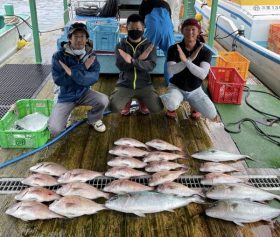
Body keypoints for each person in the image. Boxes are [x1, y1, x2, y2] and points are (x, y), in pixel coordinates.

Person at [48, 22, 109, 136]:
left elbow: (93, 78)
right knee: (55, 130)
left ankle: (93, 119)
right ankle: (62, 116)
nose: (79, 40)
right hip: (66, 96)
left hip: (83, 92)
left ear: (86, 39)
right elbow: (59, 80)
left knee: (104, 100)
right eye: (76, 36)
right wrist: (83, 67)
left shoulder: (91, 55)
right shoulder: (58, 56)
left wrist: (72, 72)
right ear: (69, 39)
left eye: (82, 36)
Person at [160, 18, 217, 121]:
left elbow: (203, 74)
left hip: (195, 89)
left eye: (193, 29)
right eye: (187, 29)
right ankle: (169, 104)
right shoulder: (174, 49)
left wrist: (186, 61)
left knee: (211, 113)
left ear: (198, 32)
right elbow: (171, 70)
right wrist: (190, 59)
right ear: (182, 31)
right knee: (171, 104)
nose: (190, 32)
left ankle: (194, 106)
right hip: (176, 86)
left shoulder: (205, 51)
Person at [110, 14, 163, 115]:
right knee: (113, 107)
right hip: (125, 84)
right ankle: (127, 101)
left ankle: (142, 100)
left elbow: (151, 65)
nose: (135, 30)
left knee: (157, 108)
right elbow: (121, 65)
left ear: (143, 28)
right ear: (127, 28)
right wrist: (140, 60)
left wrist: (133, 61)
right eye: (132, 28)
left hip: (144, 84)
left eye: (138, 28)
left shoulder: (149, 46)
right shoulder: (120, 45)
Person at [139, 0, 175, 84]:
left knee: (143, 54)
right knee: (170, 57)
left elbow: (140, 22)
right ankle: (169, 82)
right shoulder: (165, 4)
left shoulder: (145, 3)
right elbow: (169, 19)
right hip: (168, 31)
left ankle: (141, 80)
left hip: (153, 31)